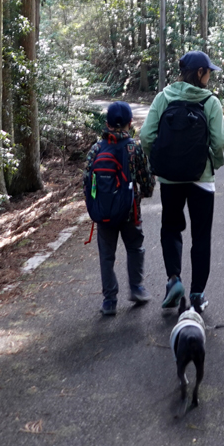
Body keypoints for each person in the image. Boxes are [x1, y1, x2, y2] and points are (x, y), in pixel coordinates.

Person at [139, 51, 224, 315]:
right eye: (208, 71)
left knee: (171, 228)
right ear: (200, 73)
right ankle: (198, 296)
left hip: (170, 178)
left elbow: (146, 136)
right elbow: (220, 142)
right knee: (201, 236)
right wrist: (214, 163)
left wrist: (159, 160)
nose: (210, 76)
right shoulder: (210, 102)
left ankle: (174, 280)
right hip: (202, 180)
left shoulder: (163, 97)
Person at [84, 101, 155, 316]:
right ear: (129, 123)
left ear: (106, 123)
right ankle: (136, 288)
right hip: (130, 212)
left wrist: (98, 205)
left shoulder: (96, 149)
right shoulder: (134, 148)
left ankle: (109, 300)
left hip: (104, 215)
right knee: (135, 248)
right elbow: (148, 182)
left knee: (107, 255)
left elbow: (86, 182)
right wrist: (141, 193)